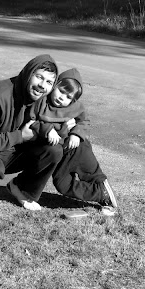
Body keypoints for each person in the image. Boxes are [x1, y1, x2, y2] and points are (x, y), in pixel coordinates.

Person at [0, 54, 63, 214]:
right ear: (28, 73)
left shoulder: (40, 99)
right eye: (39, 77)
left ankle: (22, 189)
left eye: (49, 82)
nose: (42, 86)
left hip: (13, 153)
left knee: (54, 150)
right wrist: (19, 136)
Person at [27, 67, 117, 215]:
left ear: (73, 100)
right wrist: (48, 129)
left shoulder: (75, 108)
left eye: (68, 97)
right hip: (58, 152)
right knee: (62, 185)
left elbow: (84, 121)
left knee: (92, 174)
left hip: (77, 146)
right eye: (61, 91)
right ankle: (101, 193)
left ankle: (102, 191)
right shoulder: (42, 103)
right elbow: (33, 121)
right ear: (54, 85)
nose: (62, 98)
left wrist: (76, 134)